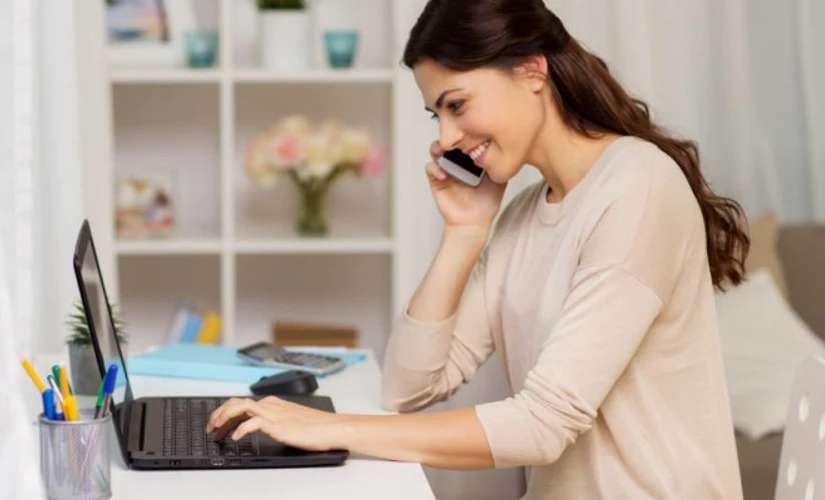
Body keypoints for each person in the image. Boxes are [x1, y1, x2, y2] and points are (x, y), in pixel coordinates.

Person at [207, 0, 749, 497]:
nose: (445, 138)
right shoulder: (523, 215)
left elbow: (542, 425)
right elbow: (407, 387)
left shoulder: (637, 188)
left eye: (457, 104)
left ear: (532, 70)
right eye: (436, 115)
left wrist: (327, 429)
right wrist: (465, 232)